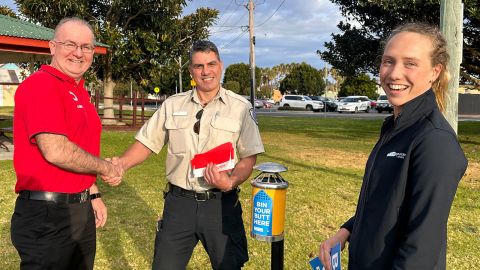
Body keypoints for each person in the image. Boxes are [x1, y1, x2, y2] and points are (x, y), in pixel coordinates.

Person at [318, 22, 468, 270]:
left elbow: (421, 250)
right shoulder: (395, 128)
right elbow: (384, 205)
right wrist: (345, 231)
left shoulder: (434, 141)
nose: (395, 73)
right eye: (389, 61)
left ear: (435, 71)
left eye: (410, 63)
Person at [109, 40, 264, 269]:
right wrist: (121, 164)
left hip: (220, 205)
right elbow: (147, 142)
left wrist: (229, 181)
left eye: (211, 64)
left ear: (220, 65)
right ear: (191, 70)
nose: (206, 71)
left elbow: (249, 156)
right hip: (179, 205)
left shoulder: (240, 107)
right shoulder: (172, 105)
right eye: (199, 66)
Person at [11, 17, 122, 270]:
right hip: (47, 214)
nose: (78, 53)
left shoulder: (79, 89)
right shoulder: (41, 86)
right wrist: (106, 168)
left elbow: (81, 145)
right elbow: (57, 150)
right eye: (70, 44)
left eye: (86, 47)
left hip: (78, 209)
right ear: (52, 47)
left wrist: (92, 192)